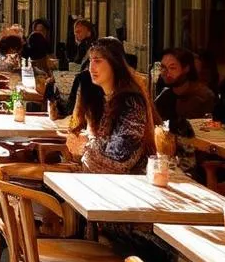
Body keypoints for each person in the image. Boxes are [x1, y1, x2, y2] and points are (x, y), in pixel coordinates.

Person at [65, 38, 157, 174]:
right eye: (90, 60)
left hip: (126, 184)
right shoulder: (102, 97)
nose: (91, 67)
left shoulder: (131, 102)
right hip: (97, 178)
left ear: (114, 63)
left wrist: (84, 146)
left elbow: (120, 158)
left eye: (97, 61)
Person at [154, 47, 216, 122]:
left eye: (172, 68)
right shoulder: (164, 95)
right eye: (163, 67)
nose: (166, 72)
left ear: (186, 69)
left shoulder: (203, 97)